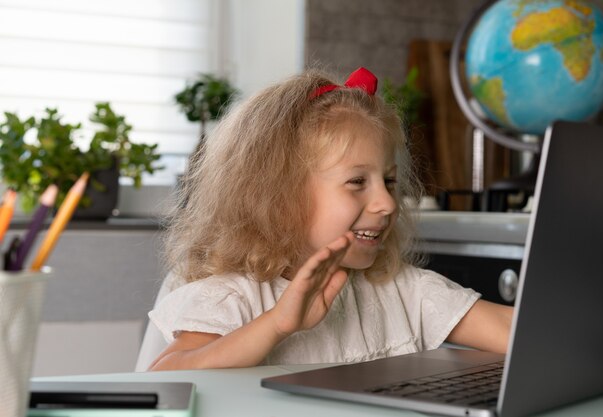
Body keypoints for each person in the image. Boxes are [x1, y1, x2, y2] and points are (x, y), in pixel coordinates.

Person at [148, 67, 513, 371]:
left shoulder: (402, 289)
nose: (386, 203)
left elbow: (513, 331)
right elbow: (164, 376)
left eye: (389, 181)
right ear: (279, 196)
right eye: (357, 182)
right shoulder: (231, 297)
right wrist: (277, 325)